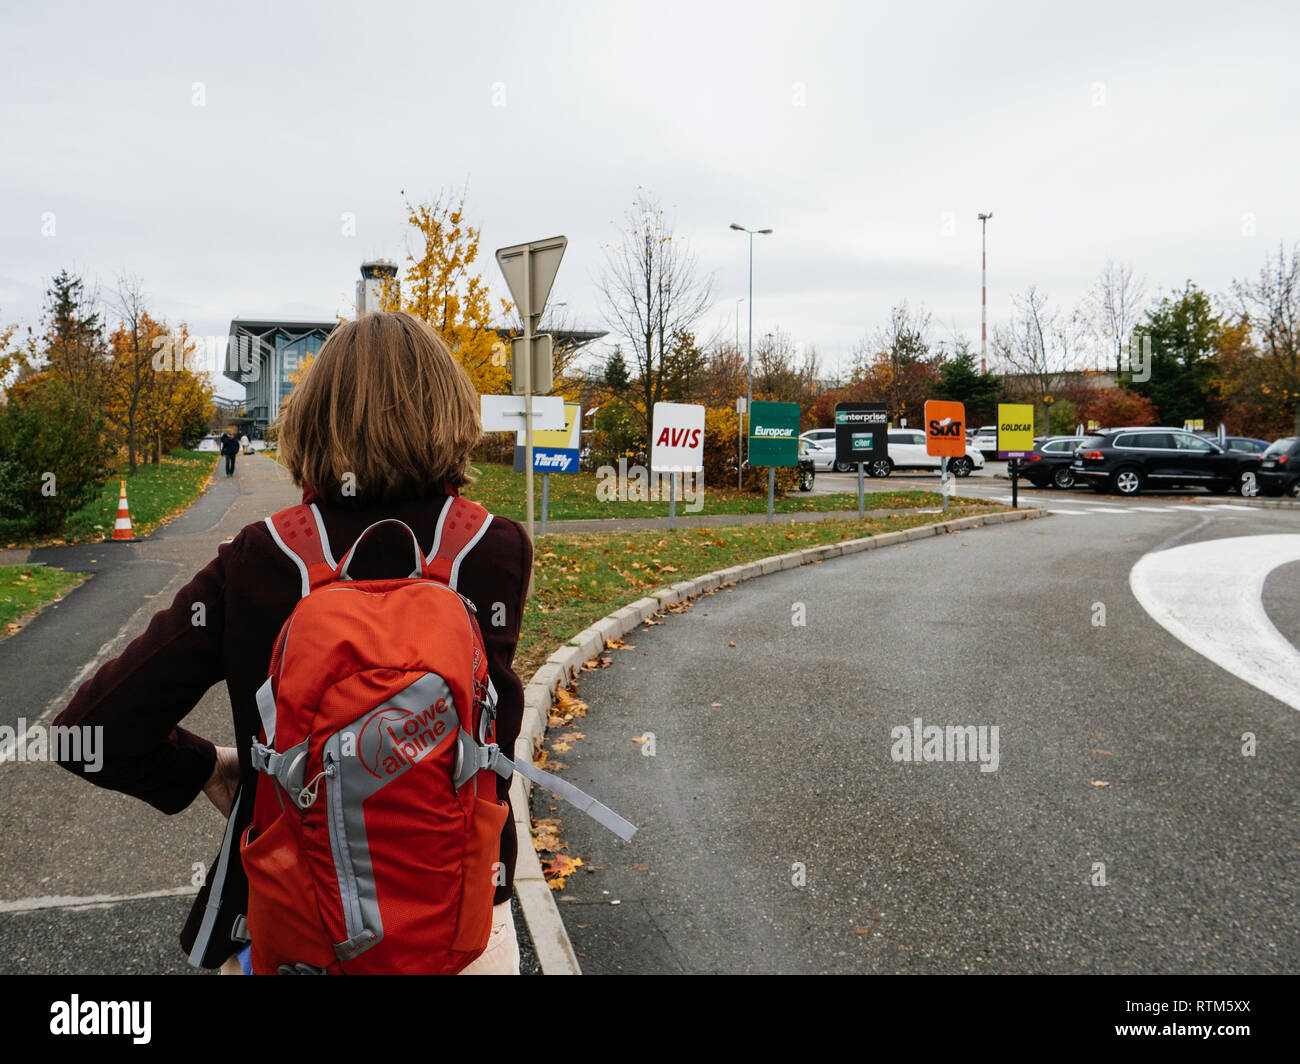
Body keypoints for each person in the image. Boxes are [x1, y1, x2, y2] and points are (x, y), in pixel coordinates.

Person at [53, 311, 532, 974]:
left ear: (311, 418)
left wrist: (214, 768)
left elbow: (91, 731)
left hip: (291, 929)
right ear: (451, 411)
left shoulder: (261, 557)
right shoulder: (495, 548)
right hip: (463, 926)